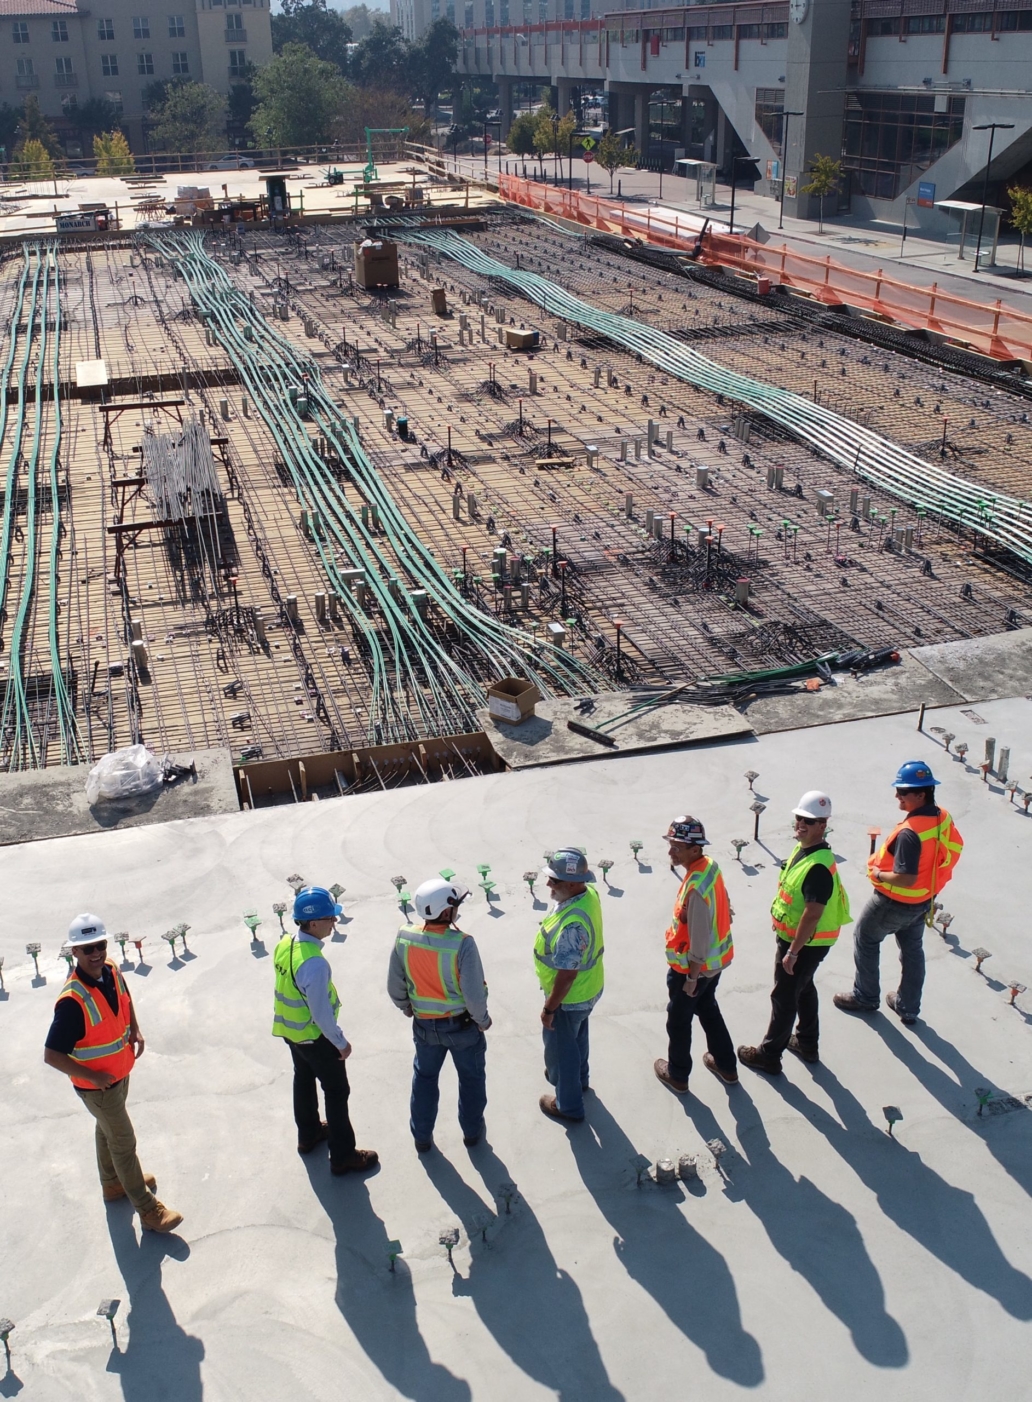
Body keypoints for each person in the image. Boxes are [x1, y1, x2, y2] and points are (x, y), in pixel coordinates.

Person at [44, 913, 183, 1233]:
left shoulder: (111, 970)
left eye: (100, 945)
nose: (96, 953)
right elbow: (52, 1055)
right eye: (87, 948)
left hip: (119, 1073)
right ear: (74, 952)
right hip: (99, 1087)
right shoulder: (72, 1001)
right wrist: (93, 1078)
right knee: (123, 1141)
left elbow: (124, 997)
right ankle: (148, 1211)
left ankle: (113, 1184)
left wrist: (135, 1028)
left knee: (107, 1129)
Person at [834, 761, 963, 1026]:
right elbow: (948, 851)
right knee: (913, 950)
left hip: (894, 903)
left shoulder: (909, 833)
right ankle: (908, 1007)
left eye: (903, 791)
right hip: (924, 900)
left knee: (866, 939)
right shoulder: (942, 817)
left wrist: (878, 874)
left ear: (921, 795)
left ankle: (865, 997)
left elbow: (905, 877)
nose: (897, 796)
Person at [738, 791, 851, 1074]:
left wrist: (792, 952)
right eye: (799, 819)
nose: (801, 825)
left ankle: (768, 1055)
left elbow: (812, 913)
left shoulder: (817, 867)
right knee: (803, 988)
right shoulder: (805, 850)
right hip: (801, 941)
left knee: (784, 997)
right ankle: (807, 1042)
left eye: (809, 821)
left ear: (823, 825)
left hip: (804, 944)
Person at [272, 886, 378, 1175]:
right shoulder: (314, 963)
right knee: (336, 1091)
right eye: (331, 918)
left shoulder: (285, 944)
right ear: (314, 923)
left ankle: (308, 1135)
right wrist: (340, 1042)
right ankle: (343, 1155)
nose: (335, 923)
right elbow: (320, 1013)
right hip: (314, 1037)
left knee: (303, 1080)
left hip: (290, 1032)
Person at [388, 877, 491, 1153]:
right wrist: (483, 1021)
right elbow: (473, 994)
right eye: (455, 905)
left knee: (424, 1079)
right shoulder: (463, 944)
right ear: (446, 912)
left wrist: (406, 1006)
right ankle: (471, 1133)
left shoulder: (405, 936)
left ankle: (422, 1137)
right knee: (471, 1079)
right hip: (463, 1028)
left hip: (424, 1027)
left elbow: (395, 985)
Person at [653, 816, 738, 1094]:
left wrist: (691, 977)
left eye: (676, 847)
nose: (670, 852)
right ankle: (726, 1066)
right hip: (715, 965)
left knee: (678, 1021)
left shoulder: (696, 887)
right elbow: (722, 898)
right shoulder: (709, 867)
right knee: (708, 1009)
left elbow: (699, 937)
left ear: (694, 849)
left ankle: (678, 1075)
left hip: (693, 970)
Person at [535, 848, 604, 1123]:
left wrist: (550, 1009)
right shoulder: (587, 895)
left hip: (570, 997)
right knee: (577, 1038)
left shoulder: (573, 925)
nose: (549, 884)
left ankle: (568, 1105)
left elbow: (566, 975)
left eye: (555, 880)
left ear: (574, 883)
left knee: (561, 1050)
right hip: (588, 990)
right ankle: (580, 1080)